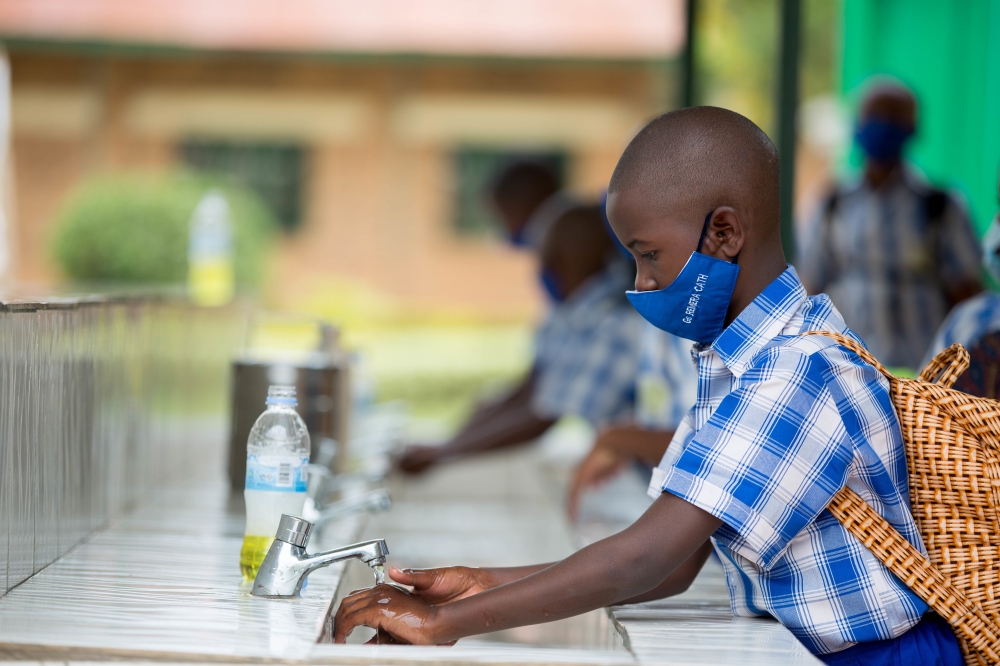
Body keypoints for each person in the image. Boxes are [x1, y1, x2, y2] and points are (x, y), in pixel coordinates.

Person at [334, 107, 962, 664]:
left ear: (724, 232)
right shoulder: (733, 364)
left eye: (649, 255)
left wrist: (445, 623)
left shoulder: (798, 371)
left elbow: (647, 558)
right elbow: (678, 563)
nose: (640, 283)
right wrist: (482, 582)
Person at [398, 204, 643, 473]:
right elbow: (529, 389)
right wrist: (449, 442)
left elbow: (543, 416)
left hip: (643, 478)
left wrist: (446, 452)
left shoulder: (614, 322)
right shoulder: (573, 310)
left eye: (546, 257)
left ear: (561, 261)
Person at [799, 79, 981, 370]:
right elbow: (810, 287)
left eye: (893, 117)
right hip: (847, 368)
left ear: (913, 128)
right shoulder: (831, 202)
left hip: (925, 376)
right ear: (857, 124)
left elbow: (967, 294)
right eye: (874, 116)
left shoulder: (941, 206)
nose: (882, 126)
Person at [565, 322, 697, 520]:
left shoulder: (699, 327)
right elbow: (673, 418)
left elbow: (709, 446)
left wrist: (616, 439)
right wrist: (629, 439)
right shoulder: (654, 321)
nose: (643, 288)